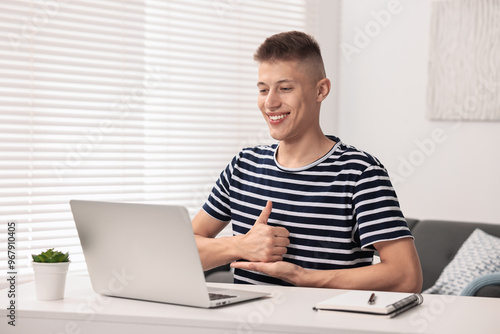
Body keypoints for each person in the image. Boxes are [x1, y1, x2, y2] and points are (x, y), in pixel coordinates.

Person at [192, 31, 422, 293]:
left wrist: (304, 277)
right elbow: (182, 249)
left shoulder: (360, 174)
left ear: (320, 90)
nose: (270, 103)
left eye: (285, 88)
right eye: (263, 90)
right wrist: (239, 246)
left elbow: (407, 276)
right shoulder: (243, 166)